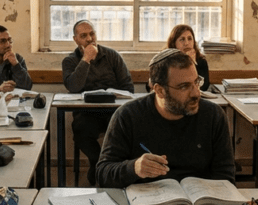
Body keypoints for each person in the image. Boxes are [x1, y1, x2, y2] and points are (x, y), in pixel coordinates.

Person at [95, 49, 234, 188]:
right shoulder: (127, 116)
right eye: (184, 86)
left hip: (200, 198)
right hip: (147, 198)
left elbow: (225, 177)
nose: (196, 93)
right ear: (160, 90)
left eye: (197, 82)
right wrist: (133, 168)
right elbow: (102, 174)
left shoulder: (213, 115)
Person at [62, 19, 134, 184]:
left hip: (113, 111)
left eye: (92, 34)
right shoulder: (70, 61)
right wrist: (85, 60)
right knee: (80, 129)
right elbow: (73, 86)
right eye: (83, 36)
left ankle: (114, 168)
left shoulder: (112, 56)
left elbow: (128, 87)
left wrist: (115, 96)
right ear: (76, 40)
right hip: (87, 113)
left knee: (125, 129)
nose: (89, 39)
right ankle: (98, 161)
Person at [147, 24, 210, 92]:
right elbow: (150, 85)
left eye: (189, 39)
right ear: (174, 43)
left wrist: (192, 63)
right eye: (182, 39)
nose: (186, 43)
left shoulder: (201, 61)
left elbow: (204, 86)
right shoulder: (165, 60)